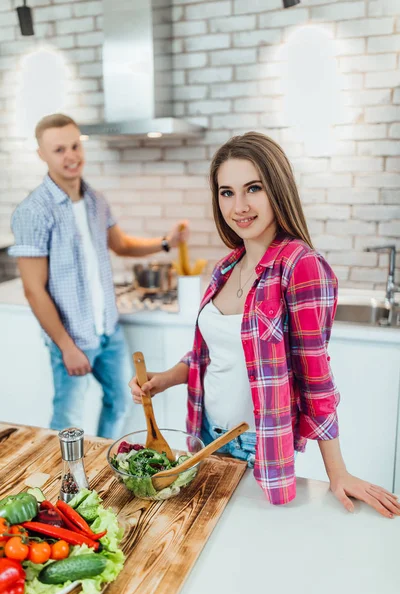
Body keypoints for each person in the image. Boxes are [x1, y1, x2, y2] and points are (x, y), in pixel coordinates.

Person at [129, 131, 400, 518]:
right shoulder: (227, 266)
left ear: (276, 189)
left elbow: (316, 377)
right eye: (226, 192)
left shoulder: (299, 265)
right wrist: (164, 377)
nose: (239, 206)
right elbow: (211, 354)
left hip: (257, 445)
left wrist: (337, 472)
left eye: (252, 188)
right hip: (204, 436)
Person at [9, 113, 188, 439]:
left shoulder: (94, 200)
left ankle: (100, 467)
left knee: (120, 402)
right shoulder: (34, 211)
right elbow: (34, 290)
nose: (71, 156)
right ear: (42, 155)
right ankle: (66, 480)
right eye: (59, 149)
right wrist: (66, 346)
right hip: (72, 337)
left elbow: (121, 244)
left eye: (75, 146)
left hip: (108, 330)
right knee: (67, 419)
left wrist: (166, 243)